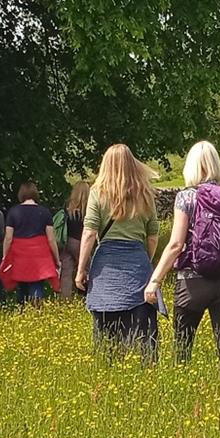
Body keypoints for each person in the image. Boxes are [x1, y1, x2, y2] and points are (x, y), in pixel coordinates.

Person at [145, 141, 220, 379]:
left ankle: (180, 393)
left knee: (182, 345)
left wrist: (155, 280)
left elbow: (176, 244)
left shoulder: (186, 197)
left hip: (192, 283)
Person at [75, 145, 160, 363]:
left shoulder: (97, 193)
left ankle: (108, 369)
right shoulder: (145, 193)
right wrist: (145, 261)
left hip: (106, 269)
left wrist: (81, 270)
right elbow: (152, 236)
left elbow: (89, 233)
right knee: (144, 338)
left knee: (106, 336)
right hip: (138, 266)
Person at [0, 182, 61, 307]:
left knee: (21, 282)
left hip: (20, 253)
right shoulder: (44, 212)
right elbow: (51, 239)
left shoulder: (13, 212)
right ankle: (36, 311)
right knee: (37, 283)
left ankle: (22, 310)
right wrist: (56, 259)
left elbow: (8, 238)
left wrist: (5, 256)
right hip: (40, 254)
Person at [59, 181, 91, 299]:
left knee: (66, 271)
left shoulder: (68, 208)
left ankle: (65, 298)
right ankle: (85, 294)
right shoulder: (87, 211)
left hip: (67, 242)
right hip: (80, 243)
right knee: (87, 268)